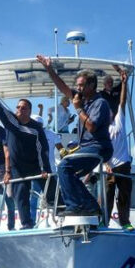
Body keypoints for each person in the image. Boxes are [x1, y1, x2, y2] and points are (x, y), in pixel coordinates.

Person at [36, 54, 113, 216]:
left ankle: (77, 206)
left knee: (64, 166)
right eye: (77, 86)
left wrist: (78, 109)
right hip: (85, 147)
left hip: (99, 146)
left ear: (92, 85)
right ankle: (90, 206)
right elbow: (62, 87)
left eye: (81, 85)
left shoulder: (100, 103)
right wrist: (49, 69)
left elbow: (91, 127)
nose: (78, 89)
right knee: (68, 175)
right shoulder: (82, 99)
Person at [0, 76, 52, 229]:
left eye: (23, 108)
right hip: (18, 168)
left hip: (35, 165)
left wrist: (45, 169)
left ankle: (62, 213)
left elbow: (43, 149)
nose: (19, 110)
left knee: (51, 187)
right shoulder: (10, 121)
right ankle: (26, 224)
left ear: (29, 111)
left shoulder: (36, 128)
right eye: (18, 107)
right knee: (21, 195)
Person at [105, 66, 134, 231]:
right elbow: (100, 150)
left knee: (124, 195)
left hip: (123, 164)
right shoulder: (100, 129)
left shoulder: (119, 119)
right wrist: (105, 164)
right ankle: (104, 221)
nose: (108, 113)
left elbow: (122, 101)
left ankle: (125, 222)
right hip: (109, 167)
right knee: (107, 195)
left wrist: (124, 83)